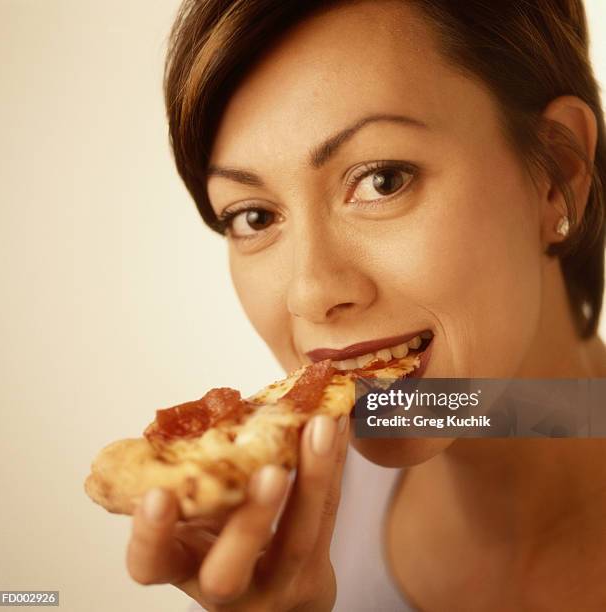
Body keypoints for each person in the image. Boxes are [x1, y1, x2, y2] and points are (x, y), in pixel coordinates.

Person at [124, 0, 606, 609]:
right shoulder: (273, 536)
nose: (311, 291)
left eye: (382, 179)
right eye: (254, 216)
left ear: (558, 170)